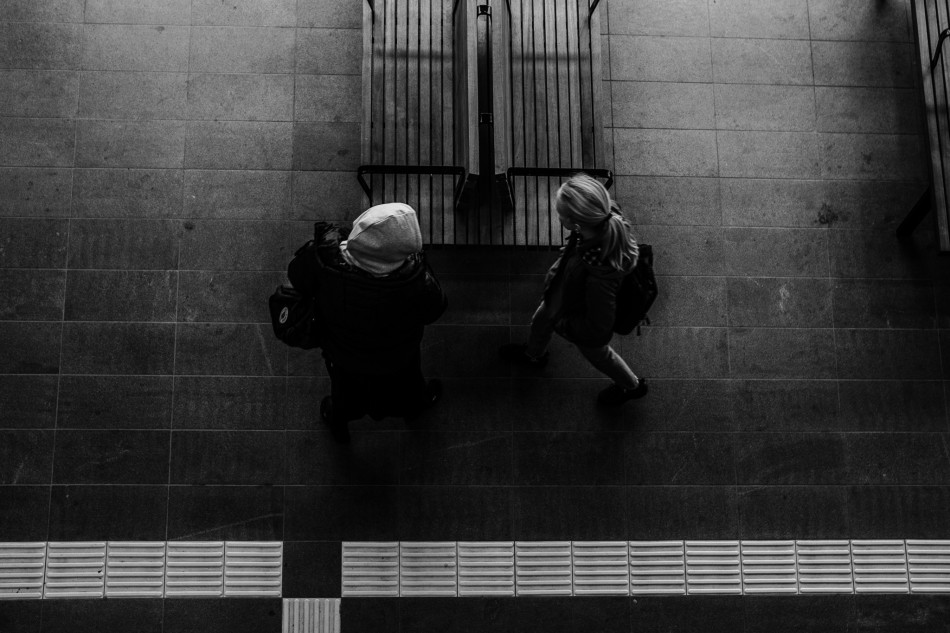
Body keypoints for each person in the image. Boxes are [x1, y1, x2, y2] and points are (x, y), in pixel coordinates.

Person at [499, 174, 647, 406]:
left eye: (560, 214)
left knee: (599, 354)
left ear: (575, 224)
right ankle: (533, 354)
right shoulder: (602, 216)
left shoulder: (600, 274)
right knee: (540, 319)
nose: (558, 217)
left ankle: (631, 386)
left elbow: (597, 328)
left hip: (573, 317)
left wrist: (564, 324)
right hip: (561, 299)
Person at [313, 203, 446, 442]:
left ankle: (339, 425)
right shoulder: (415, 283)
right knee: (409, 388)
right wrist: (419, 266)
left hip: (344, 354)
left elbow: (297, 279)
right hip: (398, 355)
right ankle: (416, 408)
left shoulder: (325, 262)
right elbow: (435, 308)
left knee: (345, 393)